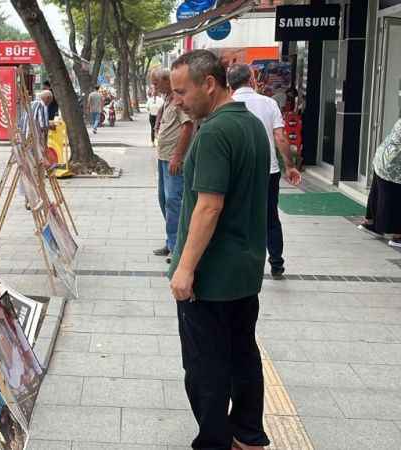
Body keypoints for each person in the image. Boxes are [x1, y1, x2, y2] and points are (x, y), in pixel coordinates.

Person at [167, 50, 271, 450]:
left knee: (205, 365)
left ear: (209, 84)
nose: (177, 100)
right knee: (243, 353)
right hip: (244, 269)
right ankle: (248, 434)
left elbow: (209, 205)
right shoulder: (251, 125)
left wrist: (185, 267)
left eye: (181, 91)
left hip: (211, 276)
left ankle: (214, 441)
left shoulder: (213, 134)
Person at [228, 63, 302, 278]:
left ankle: (240, 263)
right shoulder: (269, 103)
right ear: (251, 80)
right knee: (270, 217)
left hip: (236, 171)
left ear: (229, 84)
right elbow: (280, 137)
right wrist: (290, 165)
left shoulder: (227, 103)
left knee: (236, 216)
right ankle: (277, 264)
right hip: (268, 171)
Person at [151, 68, 194, 262]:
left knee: (173, 201)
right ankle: (171, 241)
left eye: (156, 83)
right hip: (163, 158)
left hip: (173, 160)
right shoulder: (168, 100)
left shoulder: (178, 101)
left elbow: (188, 126)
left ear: (167, 81)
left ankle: (178, 247)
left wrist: (177, 156)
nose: (154, 87)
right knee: (164, 199)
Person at [360, 117, 401, 247]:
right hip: (394, 165)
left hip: (383, 158)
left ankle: (370, 222)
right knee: (394, 198)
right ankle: (397, 236)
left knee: (377, 193)